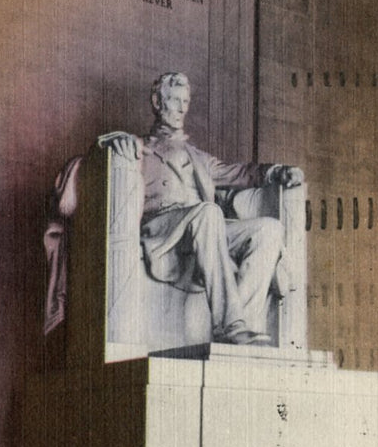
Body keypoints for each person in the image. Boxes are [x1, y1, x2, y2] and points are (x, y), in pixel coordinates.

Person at [98, 72, 303, 345]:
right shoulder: (139, 145)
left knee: (269, 229)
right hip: (163, 227)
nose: (183, 108)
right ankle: (229, 324)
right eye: (175, 100)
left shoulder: (199, 157)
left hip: (202, 228)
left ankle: (242, 323)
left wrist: (277, 172)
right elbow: (101, 149)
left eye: (186, 101)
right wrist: (116, 141)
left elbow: (240, 173)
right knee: (208, 212)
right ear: (157, 102)